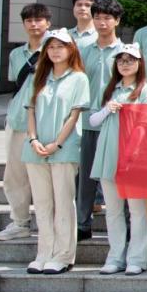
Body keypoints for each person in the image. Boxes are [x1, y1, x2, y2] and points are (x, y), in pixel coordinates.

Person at [23, 28, 90, 274]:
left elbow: (74, 115)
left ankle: (63, 255)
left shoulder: (79, 78)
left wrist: (57, 143)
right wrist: (33, 140)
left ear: (71, 49)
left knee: (63, 202)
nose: (55, 51)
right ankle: (43, 253)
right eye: (51, 47)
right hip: (35, 148)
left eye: (60, 46)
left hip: (64, 147)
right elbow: (30, 110)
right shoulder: (38, 76)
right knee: (42, 204)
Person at [88, 43, 147, 275]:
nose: (125, 64)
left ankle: (137, 258)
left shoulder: (145, 90)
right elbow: (93, 120)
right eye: (121, 60)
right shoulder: (109, 89)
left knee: (137, 210)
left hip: (134, 157)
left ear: (139, 63)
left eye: (130, 60)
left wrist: (133, 154)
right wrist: (107, 109)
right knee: (113, 210)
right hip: (108, 154)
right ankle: (115, 257)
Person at [0, 3, 50, 242]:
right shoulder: (16, 54)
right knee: (14, 175)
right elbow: (17, 85)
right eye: (29, 20)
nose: (34, 24)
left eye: (39, 20)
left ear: (48, 23)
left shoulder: (56, 49)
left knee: (44, 176)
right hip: (17, 119)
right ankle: (19, 222)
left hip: (46, 121)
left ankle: (49, 225)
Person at [77, 0, 125, 242]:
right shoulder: (83, 51)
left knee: (118, 176)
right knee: (85, 177)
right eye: (97, 17)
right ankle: (82, 224)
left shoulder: (125, 53)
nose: (102, 22)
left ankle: (124, 225)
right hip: (88, 122)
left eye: (107, 18)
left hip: (117, 124)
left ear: (117, 21)